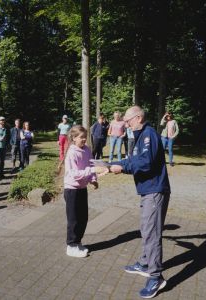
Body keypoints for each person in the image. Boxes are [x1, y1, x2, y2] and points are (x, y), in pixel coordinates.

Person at [109, 106, 170, 299]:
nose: (125, 124)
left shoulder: (148, 134)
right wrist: (111, 165)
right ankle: (145, 263)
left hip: (154, 191)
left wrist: (122, 169)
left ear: (138, 118)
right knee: (146, 229)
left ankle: (156, 276)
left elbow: (145, 163)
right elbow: (134, 159)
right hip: (147, 191)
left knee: (151, 233)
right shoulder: (141, 135)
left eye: (128, 120)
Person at [64, 125, 98, 258]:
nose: (84, 140)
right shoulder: (72, 152)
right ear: (74, 138)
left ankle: (77, 242)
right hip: (72, 189)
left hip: (82, 188)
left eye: (85, 137)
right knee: (73, 219)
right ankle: (71, 245)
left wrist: (93, 179)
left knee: (83, 217)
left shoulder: (87, 150)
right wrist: (91, 172)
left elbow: (91, 165)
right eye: (81, 137)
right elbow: (74, 174)